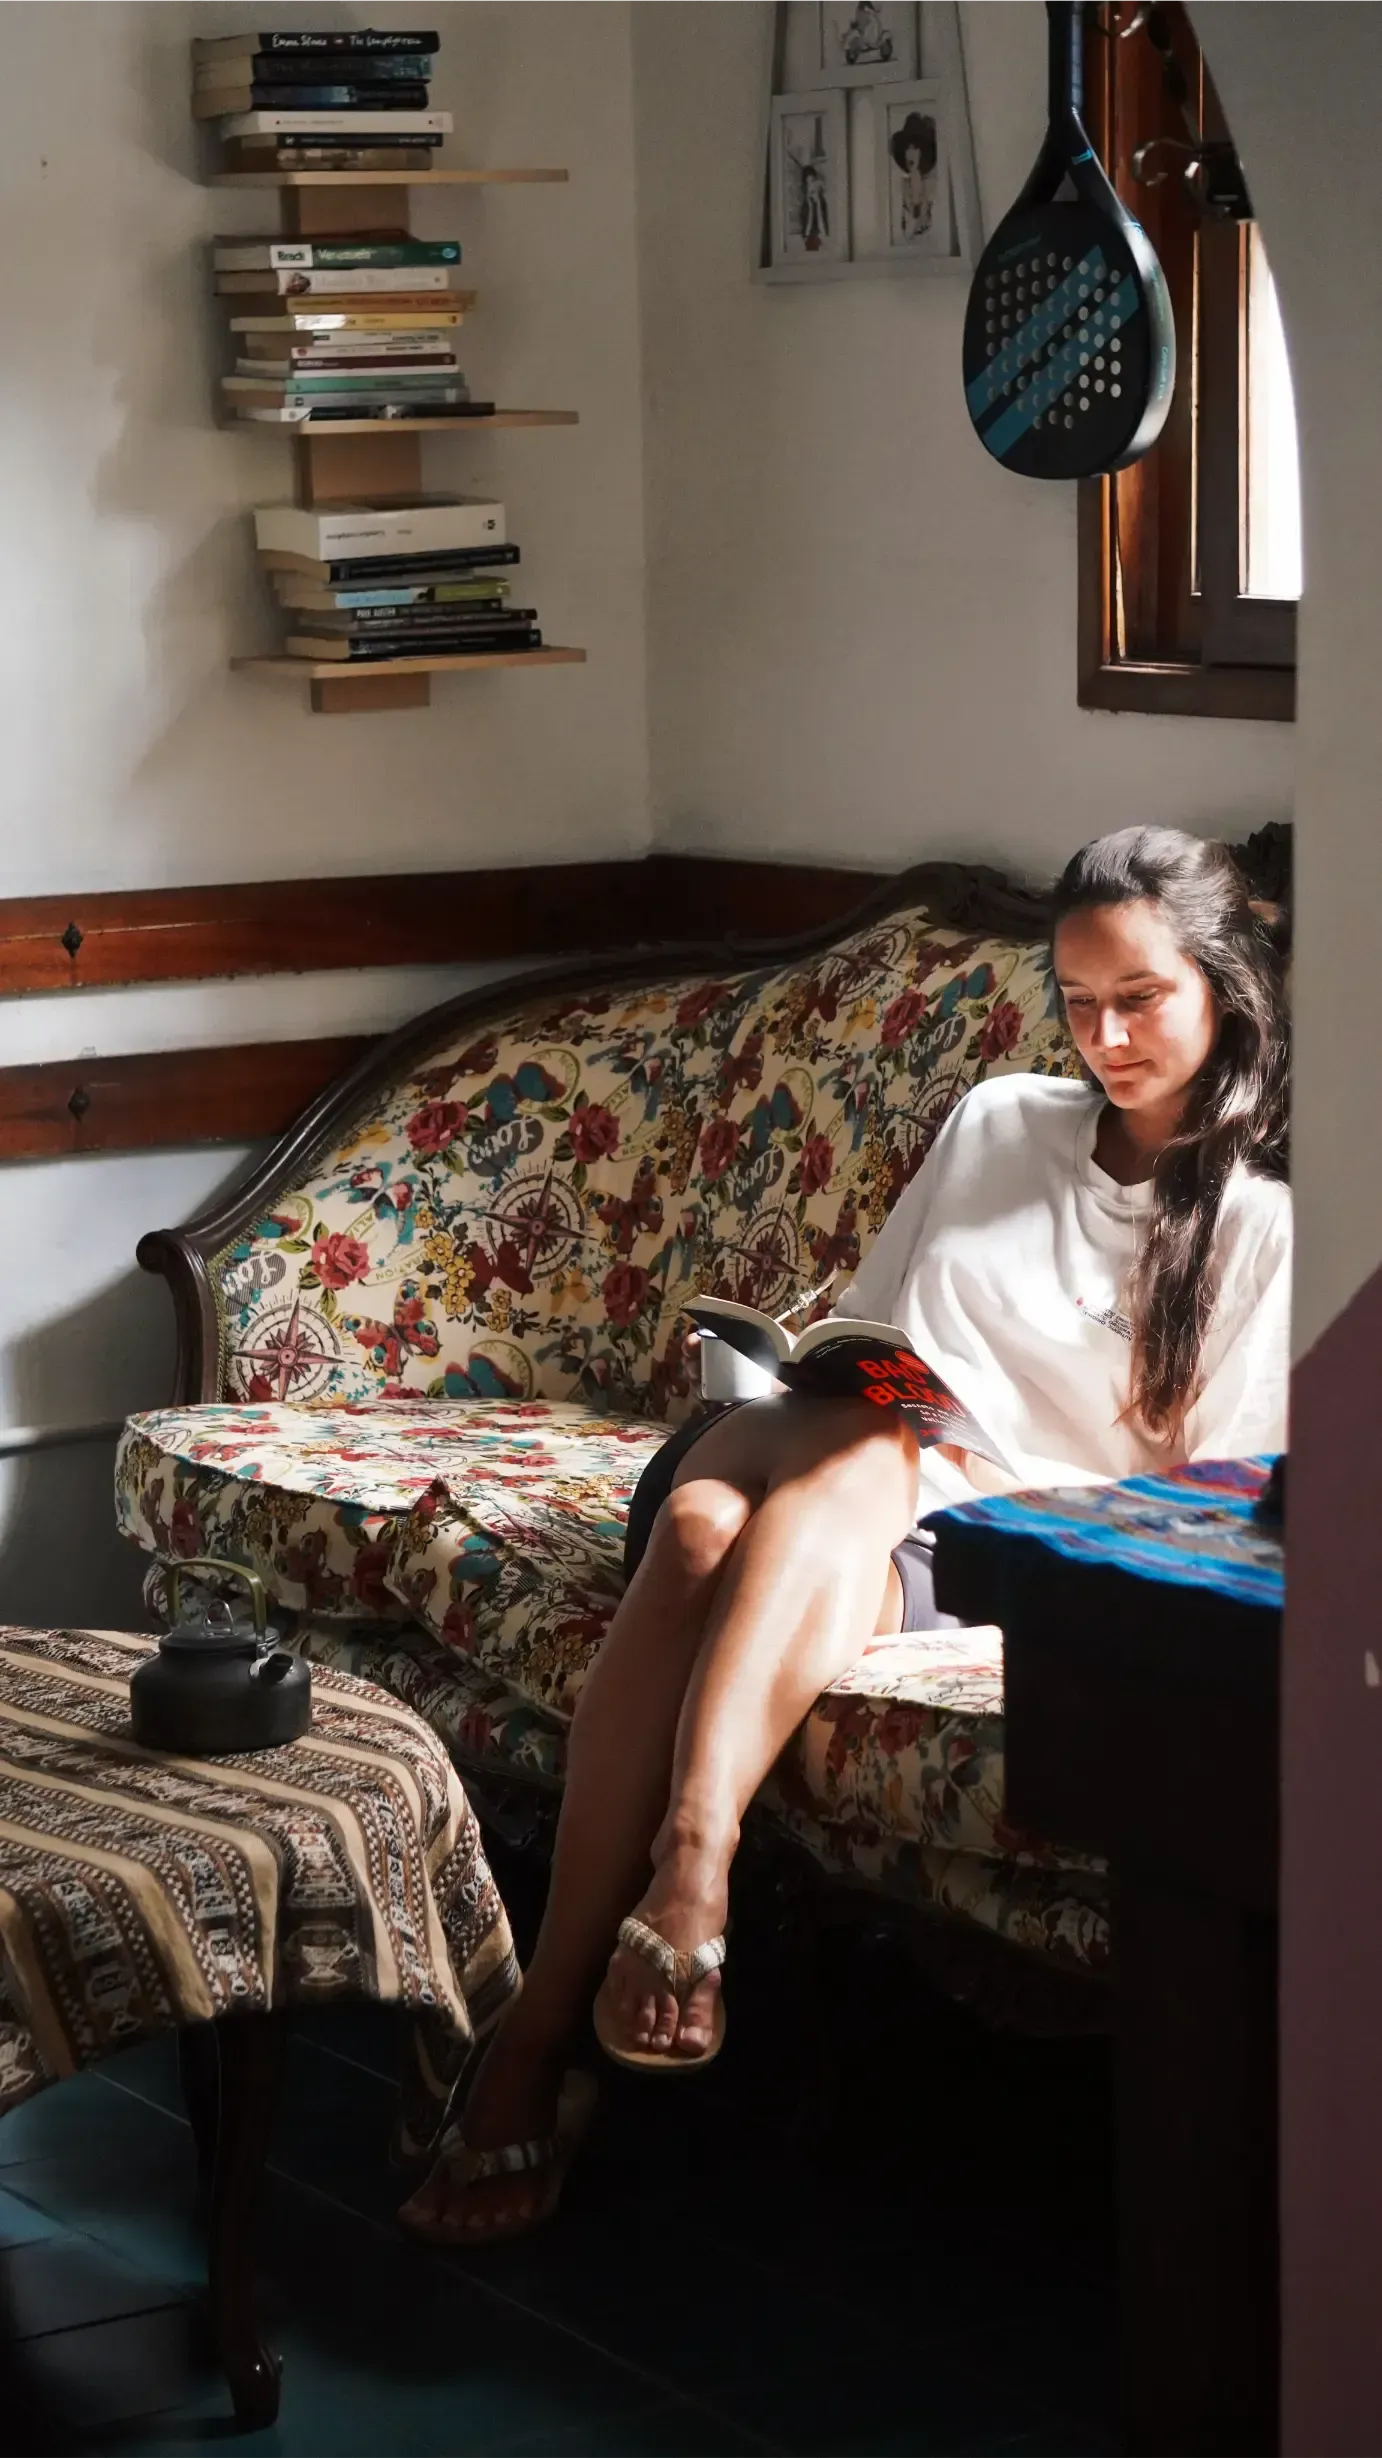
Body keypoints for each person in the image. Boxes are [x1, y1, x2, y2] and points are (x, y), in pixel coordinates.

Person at [401, 826, 1292, 2243]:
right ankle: (685, 1877)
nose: (1103, 1035)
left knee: (702, 1539)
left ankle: (534, 2033)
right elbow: (862, 1330)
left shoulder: (1258, 1223)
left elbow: (1199, 1495)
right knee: (859, 1437)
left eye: (1139, 999)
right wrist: (819, 1370)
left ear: (1225, 991)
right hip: (825, 1447)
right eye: (1074, 1000)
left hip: (973, 1538)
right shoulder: (1001, 1117)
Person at [889, 111, 938, 240]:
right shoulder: (901, 187)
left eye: (915, 148)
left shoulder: (933, 185)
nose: (910, 153)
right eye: (907, 148)